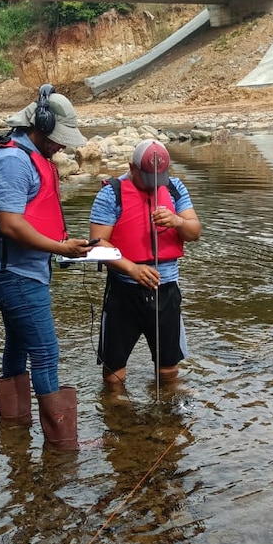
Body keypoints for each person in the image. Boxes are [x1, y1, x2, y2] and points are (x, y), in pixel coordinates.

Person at [0, 84, 92, 448]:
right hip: (12, 273)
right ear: (38, 126)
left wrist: (62, 248)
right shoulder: (13, 160)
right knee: (45, 351)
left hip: (15, 269)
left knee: (19, 343)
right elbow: (11, 225)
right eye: (57, 138)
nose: (61, 146)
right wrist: (61, 248)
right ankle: (62, 446)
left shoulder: (29, 155)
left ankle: (15, 429)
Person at [89, 139, 201, 388]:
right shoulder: (111, 192)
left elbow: (194, 231)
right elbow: (97, 243)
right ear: (132, 166)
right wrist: (132, 268)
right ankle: (117, 413)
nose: (153, 185)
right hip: (124, 291)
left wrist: (177, 222)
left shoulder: (174, 188)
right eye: (148, 178)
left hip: (166, 290)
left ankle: (168, 415)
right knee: (113, 371)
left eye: (158, 178)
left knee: (169, 368)